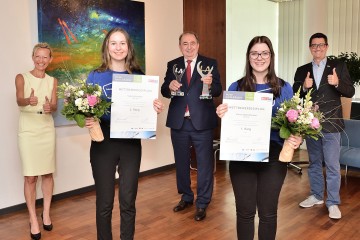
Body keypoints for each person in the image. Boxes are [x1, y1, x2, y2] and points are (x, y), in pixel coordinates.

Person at [216, 36, 302, 240]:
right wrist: (223, 113)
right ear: (248, 57)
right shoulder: (236, 87)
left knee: (268, 213)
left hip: (273, 157)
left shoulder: (284, 88)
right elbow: (231, 124)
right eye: (254, 53)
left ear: (271, 57)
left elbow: (294, 124)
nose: (259, 57)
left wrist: (296, 138)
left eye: (264, 53)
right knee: (244, 213)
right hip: (242, 157)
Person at [84, 27, 164, 240]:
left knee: (128, 201)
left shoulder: (138, 76)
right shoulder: (95, 76)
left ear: (128, 47)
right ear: (107, 47)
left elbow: (144, 108)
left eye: (122, 43)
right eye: (113, 43)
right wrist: (87, 118)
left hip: (130, 143)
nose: (118, 48)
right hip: (104, 143)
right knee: (105, 202)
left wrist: (154, 107)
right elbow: (85, 111)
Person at [161, 31, 222, 221]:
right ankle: (186, 197)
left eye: (192, 43)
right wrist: (169, 86)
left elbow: (218, 90)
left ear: (198, 44)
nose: (189, 47)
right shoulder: (174, 64)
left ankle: (202, 203)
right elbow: (164, 89)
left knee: (204, 164)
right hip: (179, 122)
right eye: (185, 44)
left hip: (202, 123)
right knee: (181, 163)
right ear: (180, 46)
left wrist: (211, 85)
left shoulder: (210, 63)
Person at [293, 32, 355, 219]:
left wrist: (337, 83)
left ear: (327, 47)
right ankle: (317, 195)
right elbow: (295, 94)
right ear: (310, 48)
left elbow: (350, 91)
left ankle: (333, 202)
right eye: (314, 45)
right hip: (310, 123)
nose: (317, 48)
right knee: (314, 163)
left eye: (321, 45)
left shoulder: (338, 66)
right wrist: (303, 87)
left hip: (331, 124)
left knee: (332, 165)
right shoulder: (302, 69)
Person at [15, 42, 57, 240]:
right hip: (29, 130)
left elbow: (55, 105)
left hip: (46, 128)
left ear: (50, 60)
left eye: (45, 57)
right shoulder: (21, 77)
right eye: (37, 56)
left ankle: (46, 213)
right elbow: (18, 100)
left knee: (47, 174)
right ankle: (33, 218)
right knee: (30, 177)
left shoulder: (52, 80)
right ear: (33, 57)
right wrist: (27, 100)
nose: (41, 60)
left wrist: (50, 107)